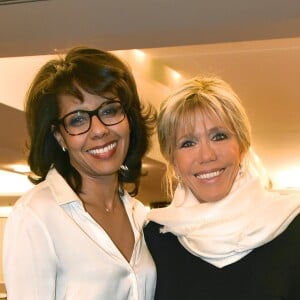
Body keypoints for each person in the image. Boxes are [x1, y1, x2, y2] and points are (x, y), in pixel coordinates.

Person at [3, 46, 157, 300]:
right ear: (58, 135)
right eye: (77, 119)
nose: (98, 130)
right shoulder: (36, 216)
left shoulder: (142, 217)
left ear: (128, 118)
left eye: (109, 110)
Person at [144, 76, 300, 300]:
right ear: (173, 159)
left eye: (219, 136)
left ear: (242, 146)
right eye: (188, 143)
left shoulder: (292, 227)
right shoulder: (154, 240)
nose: (207, 155)